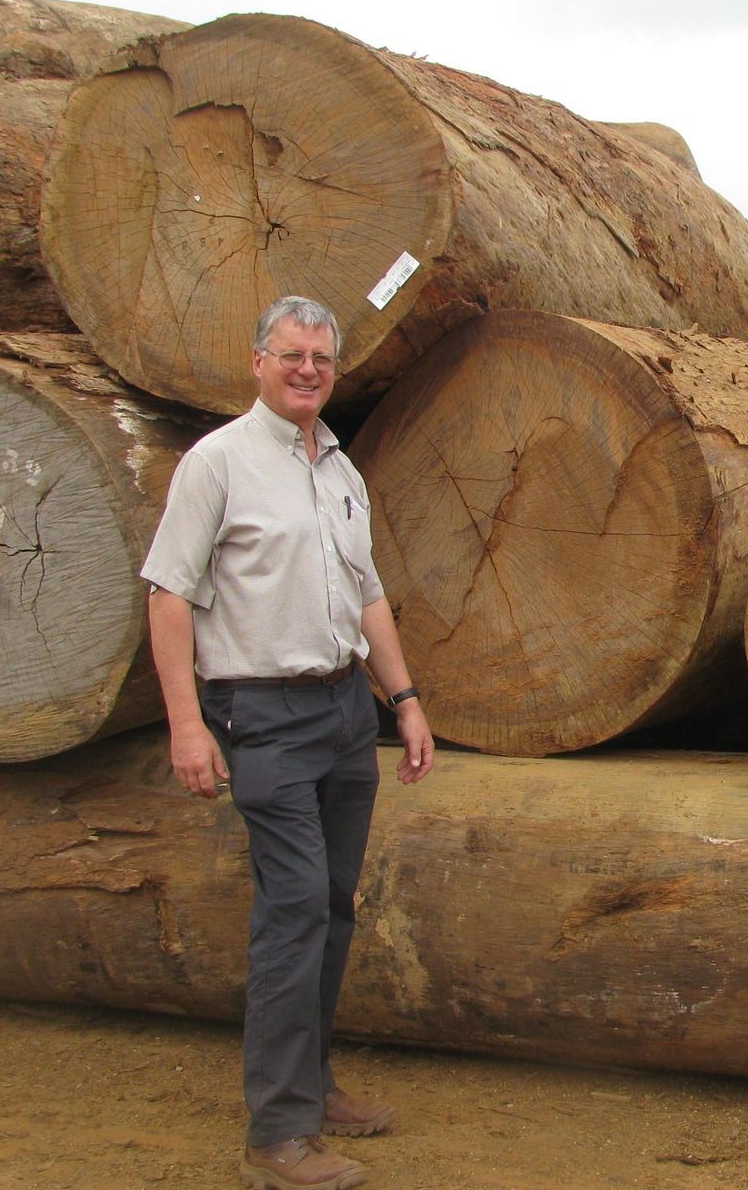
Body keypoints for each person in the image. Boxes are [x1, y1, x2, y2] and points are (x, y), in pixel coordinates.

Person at [142, 295, 435, 1190]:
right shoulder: (217, 464)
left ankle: (309, 1085)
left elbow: (370, 596)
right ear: (258, 362)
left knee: (334, 905)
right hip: (261, 716)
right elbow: (166, 595)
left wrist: (406, 698)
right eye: (291, 354)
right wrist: (187, 724)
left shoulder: (343, 471)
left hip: (347, 711)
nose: (307, 369)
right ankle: (276, 1137)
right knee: (295, 908)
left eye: (321, 358)